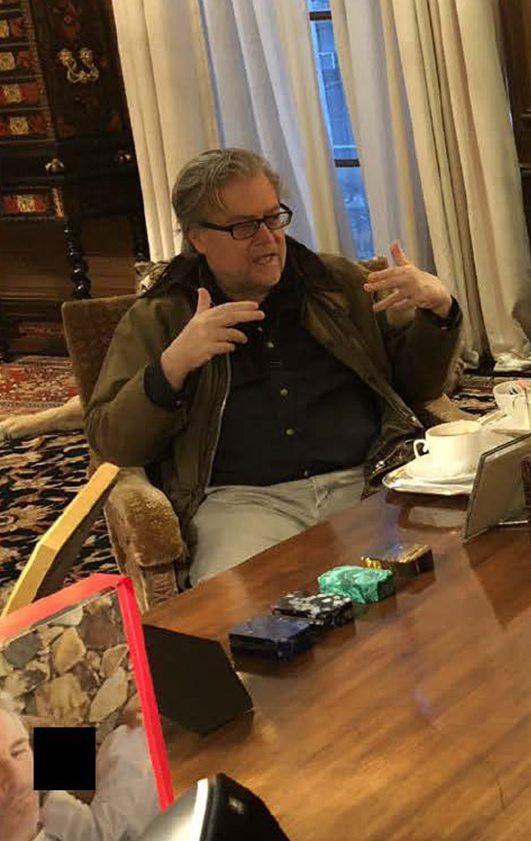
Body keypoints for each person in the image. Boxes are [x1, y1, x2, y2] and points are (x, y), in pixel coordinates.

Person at [84, 148, 463, 583]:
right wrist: (172, 366)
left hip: (367, 481)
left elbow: (415, 388)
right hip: (243, 505)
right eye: (244, 227)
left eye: (273, 218)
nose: (267, 238)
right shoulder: (162, 316)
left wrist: (439, 313)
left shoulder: (335, 284)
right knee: (241, 616)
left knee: (451, 580)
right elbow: (111, 442)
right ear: (198, 238)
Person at [0, 695, 156, 841]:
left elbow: (118, 740)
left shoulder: (43, 781)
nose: (17, 777)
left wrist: (130, 721)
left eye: (17, 751)